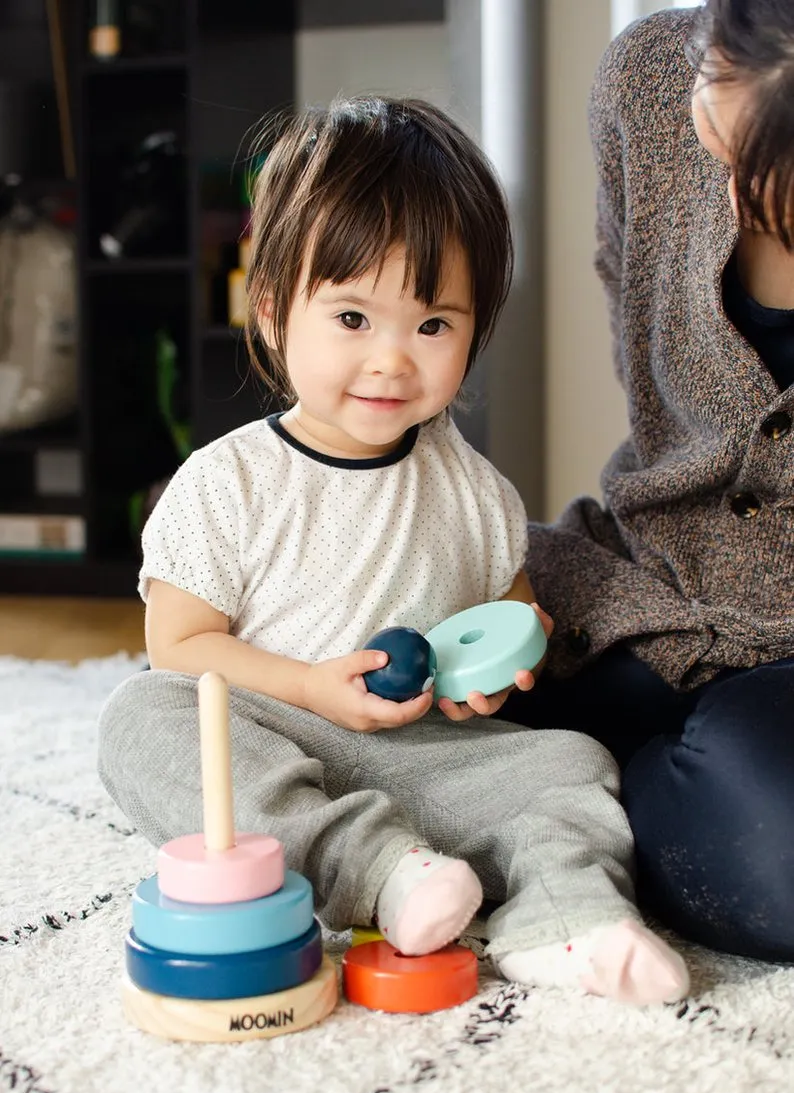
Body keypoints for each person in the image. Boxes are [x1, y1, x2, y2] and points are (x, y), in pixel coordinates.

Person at [97, 95, 688, 1005]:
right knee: (143, 720)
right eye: (351, 319)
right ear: (270, 310)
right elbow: (179, 648)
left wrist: (493, 673)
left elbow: (501, 622)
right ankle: (382, 872)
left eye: (433, 325)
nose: (391, 361)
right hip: (277, 735)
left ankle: (568, 919)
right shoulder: (227, 483)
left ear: (474, 330)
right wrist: (308, 685)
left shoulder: (477, 491)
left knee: (572, 764)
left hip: (431, 763)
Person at [503, 1, 794, 963]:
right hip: (655, 574)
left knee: (780, 866)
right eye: (715, 87)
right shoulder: (646, 78)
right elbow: (651, 380)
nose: (708, 146)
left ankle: (563, 807)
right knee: (426, 676)